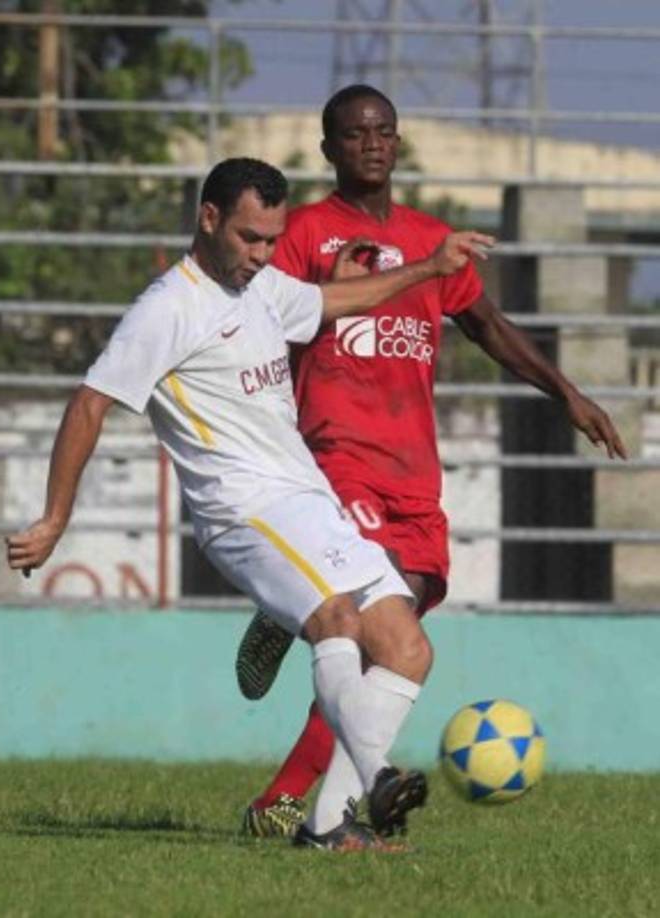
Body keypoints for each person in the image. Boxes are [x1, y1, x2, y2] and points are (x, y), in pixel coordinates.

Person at [6, 157, 497, 852]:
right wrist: (56, 518)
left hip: (307, 500)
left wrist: (429, 267)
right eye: (248, 238)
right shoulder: (168, 308)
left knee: (408, 649)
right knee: (337, 620)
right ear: (208, 219)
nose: (262, 255)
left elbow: (327, 303)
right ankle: (378, 774)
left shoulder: (261, 287)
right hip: (242, 511)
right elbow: (90, 403)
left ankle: (328, 829)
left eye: (271, 239)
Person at [236, 86, 627, 839]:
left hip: (413, 472)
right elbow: (261, 323)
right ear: (329, 151)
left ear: (398, 141)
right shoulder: (307, 233)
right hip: (336, 458)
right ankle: (309, 808)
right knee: (365, 631)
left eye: (383, 131)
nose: (372, 144)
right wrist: (328, 289)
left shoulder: (431, 238)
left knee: (396, 645)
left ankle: (306, 794)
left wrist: (566, 393)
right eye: (354, 135)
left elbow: (486, 323)